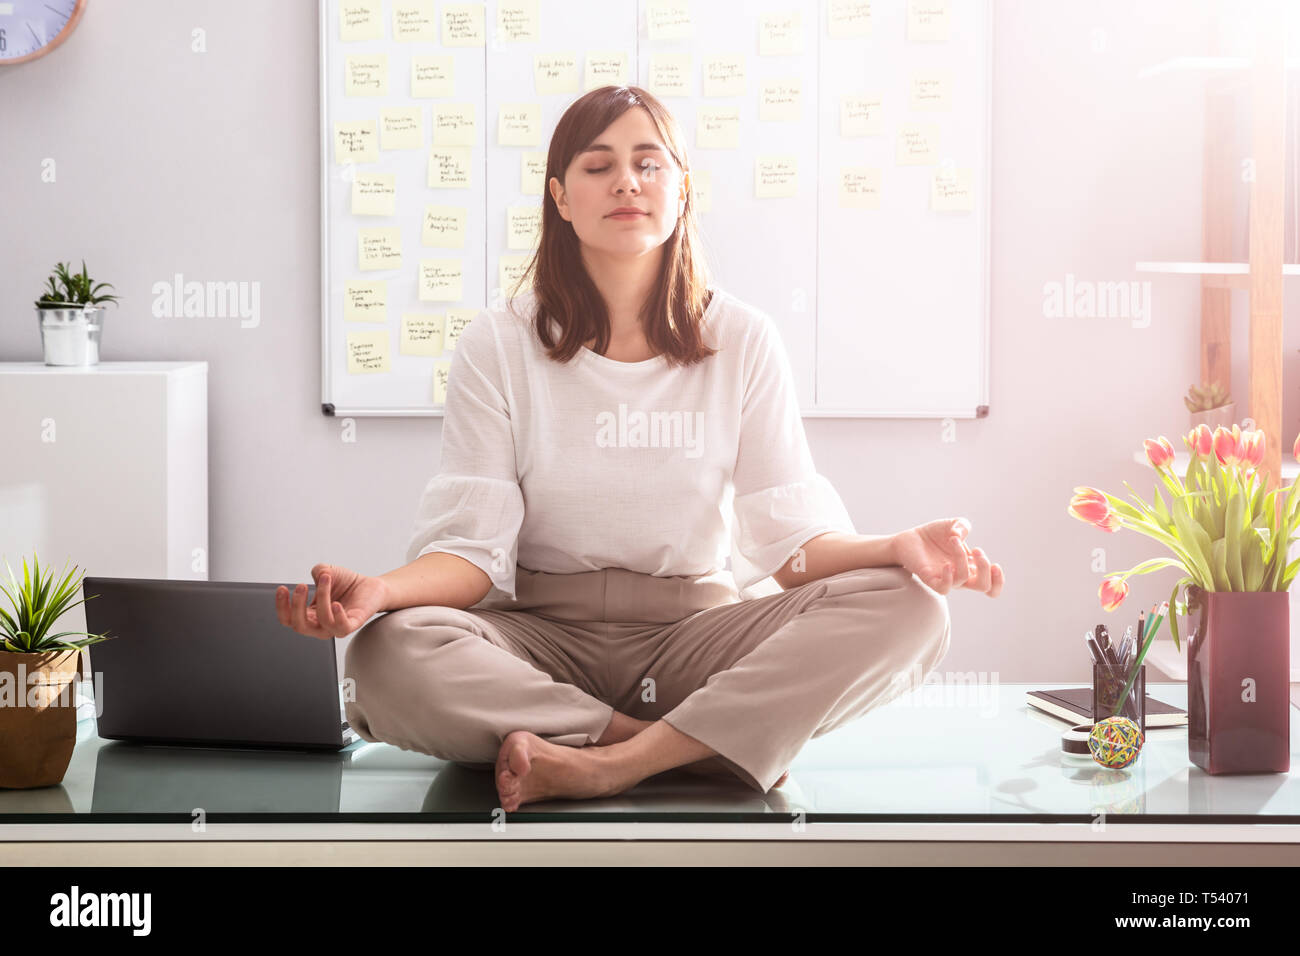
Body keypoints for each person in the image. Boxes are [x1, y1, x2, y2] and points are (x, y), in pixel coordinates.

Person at [276, 86, 1005, 813]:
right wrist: (382, 591)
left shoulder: (743, 339)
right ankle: (687, 749)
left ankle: (609, 764)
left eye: (649, 164)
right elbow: (471, 555)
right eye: (598, 166)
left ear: (683, 191)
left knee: (913, 609)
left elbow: (793, 549)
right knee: (383, 654)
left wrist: (897, 545)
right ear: (560, 197)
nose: (627, 181)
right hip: (538, 640)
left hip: (694, 639)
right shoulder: (496, 344)